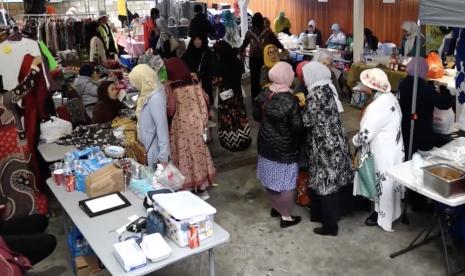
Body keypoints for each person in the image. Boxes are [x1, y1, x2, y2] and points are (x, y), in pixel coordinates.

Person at [302, 62, 353, 236]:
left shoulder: (314, 96)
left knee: (326, 184)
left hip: (324, 147)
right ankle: (327, 214)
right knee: (335, 179)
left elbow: (307, 121)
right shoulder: (329, 89)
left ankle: (330, 226)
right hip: (336, 142)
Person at [352, 68, 404, 232]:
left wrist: (354, 140)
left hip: (383, 151)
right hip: (394, 148)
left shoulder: (377, 106)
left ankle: (382, 216)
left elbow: (365, 135)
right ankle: (391, 212)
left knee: (382, 183)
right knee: (390, 183)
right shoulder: (391, 98)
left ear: (371, 87)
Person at [398, 57, 452, 212]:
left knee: (407, 161)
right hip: (421, 131)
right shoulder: (423, 88)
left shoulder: (403, 84)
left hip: (406, 128)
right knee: (419, 165)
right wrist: (444, 90)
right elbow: (444, 103)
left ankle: (405, 194)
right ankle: (418, 202)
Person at [256, 62, 303, 228]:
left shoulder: (264, 93)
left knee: (271, 180)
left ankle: (275, 208)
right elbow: (297, 128)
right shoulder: (291, 100)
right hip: (285, 150)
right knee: (286, 184)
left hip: (266, 145)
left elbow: (256, 116)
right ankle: (286, 217)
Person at [164, 57, 216, 199]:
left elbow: (170, 109)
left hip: (180, 126)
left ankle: (186, 189)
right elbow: (205, 99)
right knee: (198, 153)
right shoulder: (194, 82)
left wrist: (166, 89)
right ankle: (202, 188)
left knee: (184, 155)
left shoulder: (172, 88)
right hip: (197, 122)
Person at [0, 56, 42, 219]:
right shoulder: (5, 100)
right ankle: (27, 213)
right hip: (13, 147)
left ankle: (9, 216)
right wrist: (34, 68)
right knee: (22, 179)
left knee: (6, 184)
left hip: (4, 150)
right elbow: (25, 87)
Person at [129, 64, 170, 167]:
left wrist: (163, 157)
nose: (135, 85)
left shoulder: (156, 97)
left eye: (136, 81)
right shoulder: (147, 93)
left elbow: (162, 127)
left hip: (154, 150)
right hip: (147, 145)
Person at [214, 41, 251, 152]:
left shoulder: (220, 65)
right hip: (237, 93)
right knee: (239, 116)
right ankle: (243, 139)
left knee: (228, 119)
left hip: (225, 96)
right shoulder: (236, 62)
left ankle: (230, 142)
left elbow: (216, 82)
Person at [241, 13, 283, 107]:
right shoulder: (268, 31)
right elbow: (276, 42)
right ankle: (265, 101)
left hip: (253, 60)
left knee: (254, 80)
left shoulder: (249, 32)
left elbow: (244, 45)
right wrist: (283, 48)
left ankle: (254, 101)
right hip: (265, 60)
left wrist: (240, 52)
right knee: (265, 80)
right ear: (261, 21)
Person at [182, 36, 217, 104]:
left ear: (203, 40)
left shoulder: (207, 52)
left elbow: (211, 68)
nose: (197, 41)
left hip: (204, 83)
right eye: (195, 39)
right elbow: (182, 64)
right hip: (192, 84)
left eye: (199, 39)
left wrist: (199, 75)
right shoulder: (189, 51)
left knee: (205, 103)